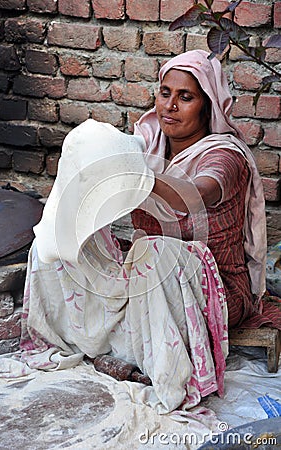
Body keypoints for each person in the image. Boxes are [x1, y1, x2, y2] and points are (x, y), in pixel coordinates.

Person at [18, 49, 275, 415]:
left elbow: (195, 195)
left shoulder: (225, 157)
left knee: (156, 253)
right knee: (54, 244)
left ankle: (147, 362)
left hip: (215, 288)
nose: (170, 106)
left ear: (207, 107)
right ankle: (96, 343)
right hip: (149, 279)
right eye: (164, 93)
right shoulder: (148, 141)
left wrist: (138, 176)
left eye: (185, 97)